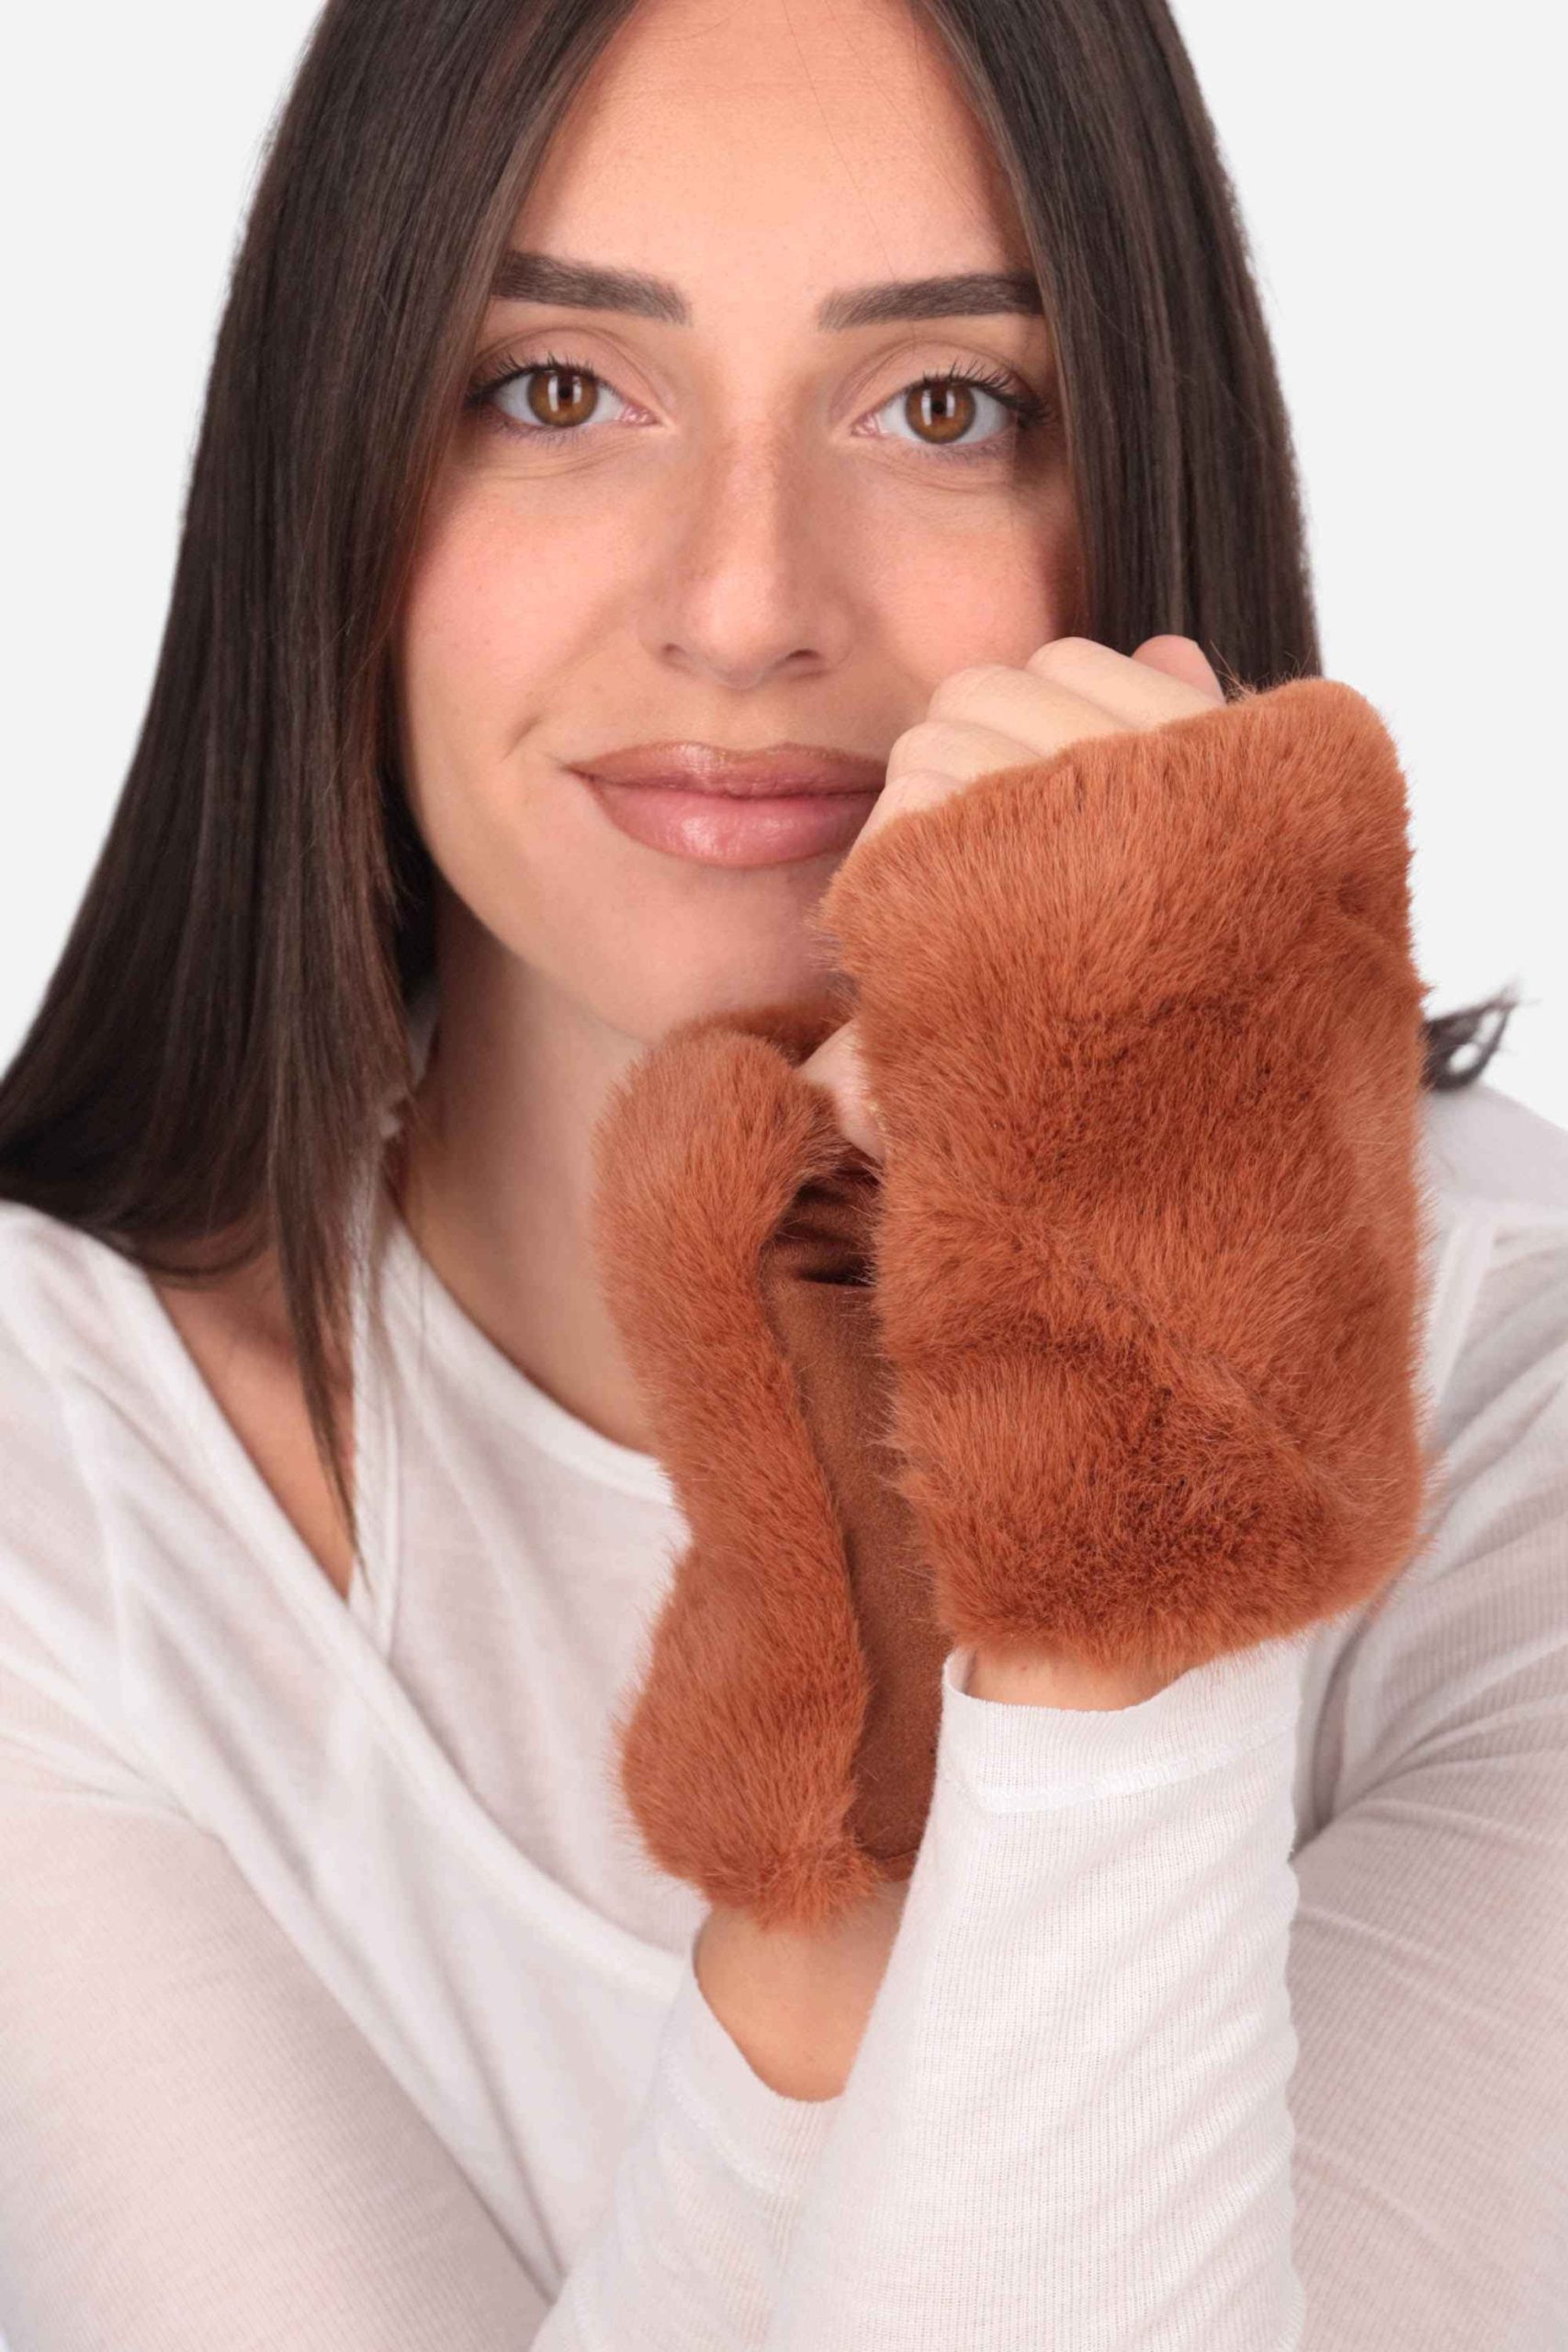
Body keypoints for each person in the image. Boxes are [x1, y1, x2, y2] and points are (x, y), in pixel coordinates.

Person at [0, 0, 1562, 2343]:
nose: (743, 610)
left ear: (1132, 476)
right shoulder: (59, 1478)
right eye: (554, 389)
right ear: (329, 470)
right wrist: (813, 1894)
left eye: (940, 407)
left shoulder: (1520, 1386)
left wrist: (1116, 1521)